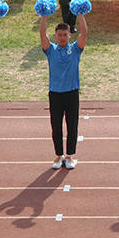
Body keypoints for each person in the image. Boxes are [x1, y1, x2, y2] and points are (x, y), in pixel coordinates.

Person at [39, 10, 87, 170]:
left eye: (65, 34)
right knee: (56, 125)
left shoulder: (75, 49)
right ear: (55, 35)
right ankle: (58, 155)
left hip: (72, 93)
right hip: (55, 93)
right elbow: (42, 33)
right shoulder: (51, 49)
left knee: (72, 125)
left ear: (69, 35)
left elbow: (84, 33)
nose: (62, 37)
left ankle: (69, 156)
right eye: (59, 35)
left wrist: (80, 14)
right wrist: (44, 15)